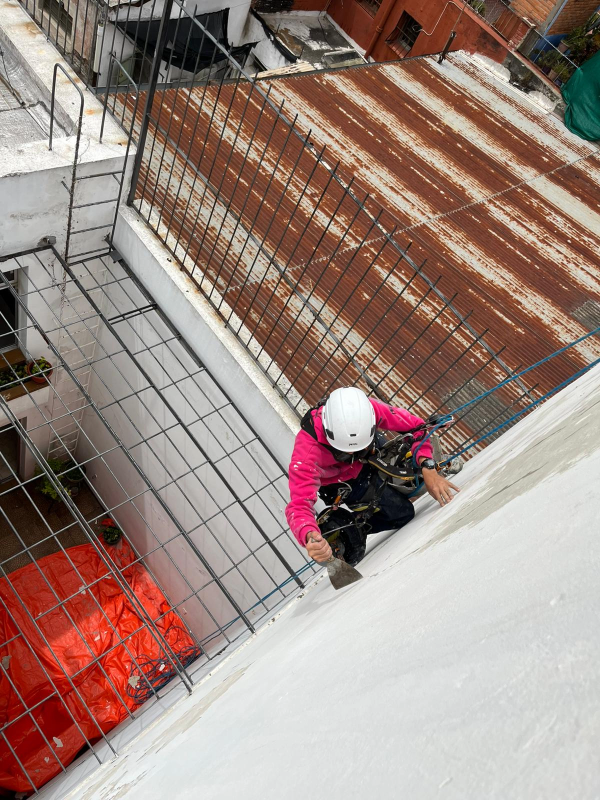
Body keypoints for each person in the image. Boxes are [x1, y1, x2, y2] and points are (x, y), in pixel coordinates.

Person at [285, 387, 459, 565]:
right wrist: (308, 534)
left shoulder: (366, 410)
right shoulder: (306, 455)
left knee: (411, 467)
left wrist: (427, 466)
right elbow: (299, 506)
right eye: (344, 449)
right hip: (347, 480)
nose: (351, 451)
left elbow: (416, 426)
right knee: (403, 514)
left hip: (371, 450)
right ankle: (355, 527)